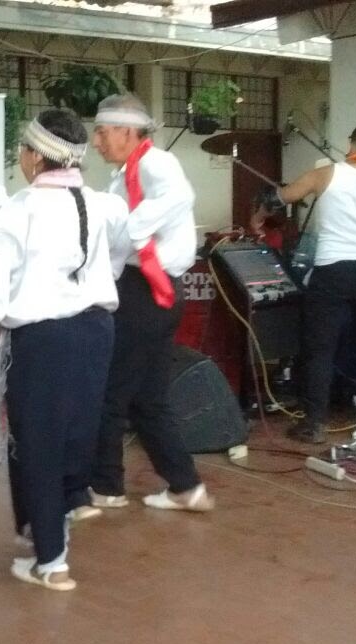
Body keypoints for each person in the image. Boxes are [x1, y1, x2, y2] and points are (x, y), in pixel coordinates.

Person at [0, 109, 126, 591]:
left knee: (38, 443)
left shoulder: (19, 209)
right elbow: (117, 258)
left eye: (23, 149)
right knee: (73, 435)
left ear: (36, 156)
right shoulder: (102, 205)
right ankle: (49, 523)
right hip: (97, 331)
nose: (20, 157)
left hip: (45, 339)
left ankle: (51, 561)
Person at [78, 93, 214, 512]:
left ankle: (107, 486)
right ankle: (186, 486)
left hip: (145, 291)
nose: (96, 141)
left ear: (126, 131)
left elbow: (180, 197)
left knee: (110, 392)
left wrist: (131, 229)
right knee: (148, 399)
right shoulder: (123, 176)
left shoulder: (156, 163)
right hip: (151, 291)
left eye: (102, 132)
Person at [251, 123, 356, 444]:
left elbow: (281, 196)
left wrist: (259, 216)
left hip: (330, 270)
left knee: (320, 348)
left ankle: (315, 424)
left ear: (351, 144)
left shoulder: (325, 175)